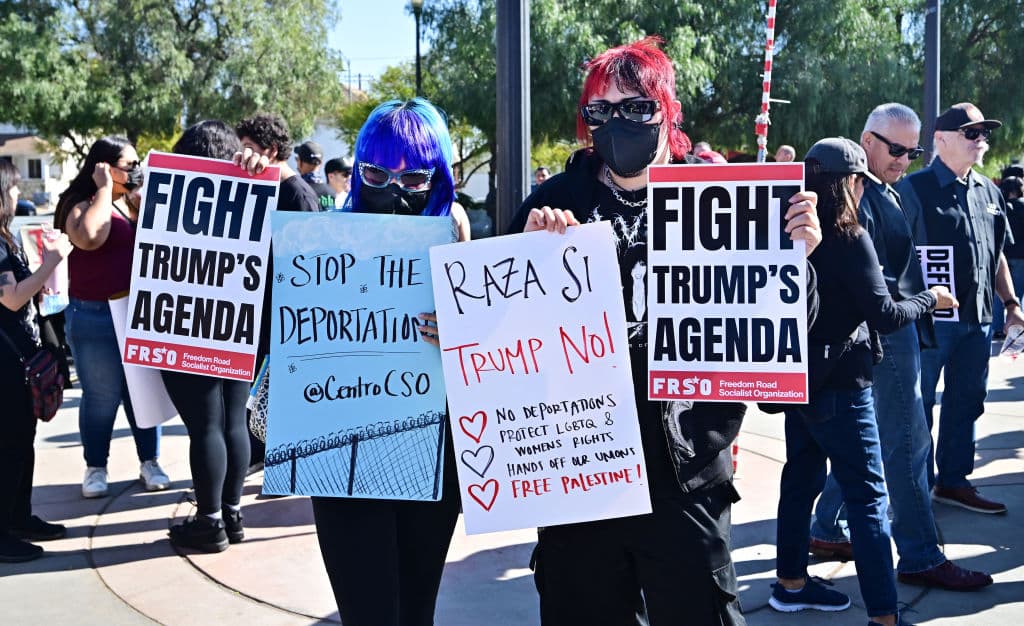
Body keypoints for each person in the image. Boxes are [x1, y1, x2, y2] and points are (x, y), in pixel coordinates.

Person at [509, 36, 822, 626]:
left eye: (635, 107)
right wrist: (524, 262)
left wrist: (797, 262)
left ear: (667, 113)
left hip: (687, 475)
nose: (616, 122)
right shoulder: (550, 203)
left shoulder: (727, 203)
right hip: (578, 473)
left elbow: (781, 341)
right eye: (600, 111)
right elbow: (502, 346)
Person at [773, 137, 957, 626]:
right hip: (845, 386)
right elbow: (886, 314)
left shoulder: (782, 232)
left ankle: (790, 583)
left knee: (800, 480)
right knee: (868, 500)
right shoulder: (850, 235)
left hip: (798, 382)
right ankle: (884, 615)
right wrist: (931, 299)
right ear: (853, 182)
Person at [808, 104, 992, 592]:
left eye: (912, 151)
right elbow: (869, 287)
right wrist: (927, 300)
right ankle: (919, 554)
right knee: (908, 445)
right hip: (886, 334)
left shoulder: (880, 191)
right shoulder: (856, 194)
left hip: (895, 333)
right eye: (896, 149)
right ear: (867, 140)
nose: (904, 160)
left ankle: (825, 528)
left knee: (873, 446)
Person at [310, 97, 469, 626]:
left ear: (439, 173)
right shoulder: (327, 231)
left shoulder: (454, 226)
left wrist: (459, 328)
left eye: (415, 176)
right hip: (344, 447)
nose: (394, 187)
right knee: (368, 614)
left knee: (415, 609)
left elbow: (487, 339)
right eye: (378, 172)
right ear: (358, 169)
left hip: (430, 449)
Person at [897, 103, 1022, 514]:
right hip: (930, 323)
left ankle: (954, 481)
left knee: (967, 400)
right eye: (972, 133)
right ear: (942, 140)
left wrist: (1012, 303)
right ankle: (915, 488)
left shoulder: (988, 191)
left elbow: (998, 253)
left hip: (980, 321)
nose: (981, 141)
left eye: (984, 133)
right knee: (919, 407)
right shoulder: (912, 189)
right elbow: (892, 255)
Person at [53, 136, 168, 499]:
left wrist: (136, 206)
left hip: (135, 310)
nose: (136, 171)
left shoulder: (126, 204)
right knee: (101, 395)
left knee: (142, 392)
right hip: (94, 313)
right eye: (129, 165)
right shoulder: (79, 204)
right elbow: (88, 237)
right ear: (103, 166)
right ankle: (95, 467)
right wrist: (103, 190)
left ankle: (150, 461)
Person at [159, 121, 252, 553]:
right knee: (233, 421)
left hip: (189, 326)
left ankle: (210, 522)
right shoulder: (250, 196)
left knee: (206, 427)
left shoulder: (177, 204)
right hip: (238, 324)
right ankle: (231, 514)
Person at [234, 114, 320, 470]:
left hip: (282, 324)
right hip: (260, 319)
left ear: (270, 151)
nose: (241, 157)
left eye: (249, 149)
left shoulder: (297, 193)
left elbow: (309, 266)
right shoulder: (261, 187)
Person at [0, 160, 73, 562]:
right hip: (6, 361)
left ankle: (18, 516)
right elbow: (9, 297)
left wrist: (44, 271)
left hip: (18, 356)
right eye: (12, 189)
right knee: (9, 445)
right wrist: (51, 262)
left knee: (21, 443)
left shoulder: (6, 237)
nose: (18, 195)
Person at [993, 176, 1024, 334]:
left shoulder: (1001, 205)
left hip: (1003, 254)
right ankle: (1016, 327)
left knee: (1000, 295)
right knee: (1017, 294)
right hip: (1021, 256)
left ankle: (997, 328)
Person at [294, 140, 337, 210]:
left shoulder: (296, 190)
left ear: (300, 162)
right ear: (320, 163)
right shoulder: (331, 191)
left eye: (297, 159)